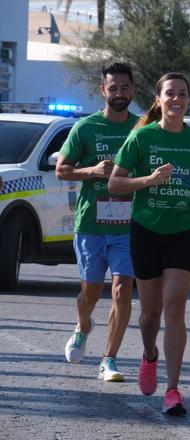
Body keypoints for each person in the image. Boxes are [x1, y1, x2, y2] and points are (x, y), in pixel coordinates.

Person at [108, 72, 190, 416]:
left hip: (183, 230)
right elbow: (115, 184)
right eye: (170, 94)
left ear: (188, 100)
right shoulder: (141, 138)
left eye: (183, 94)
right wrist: (150, 179)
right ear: (158, 99)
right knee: (149, 315)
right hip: (146, 230)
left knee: (175, 309)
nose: (177, 99)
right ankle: (149, 355)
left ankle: (173, 390)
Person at [57, 62, 138, 382]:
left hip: (129, 227)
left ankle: (110, 359)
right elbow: (62, 170)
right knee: (89, 293)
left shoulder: (142, 128)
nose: (119, 94)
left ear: (132, 90)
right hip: (91, 223)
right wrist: (92, 171)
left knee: (122, 289)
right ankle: (83, 324)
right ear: (103, 91)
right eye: (113, 88)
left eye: (125, 88)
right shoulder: (86, 128)